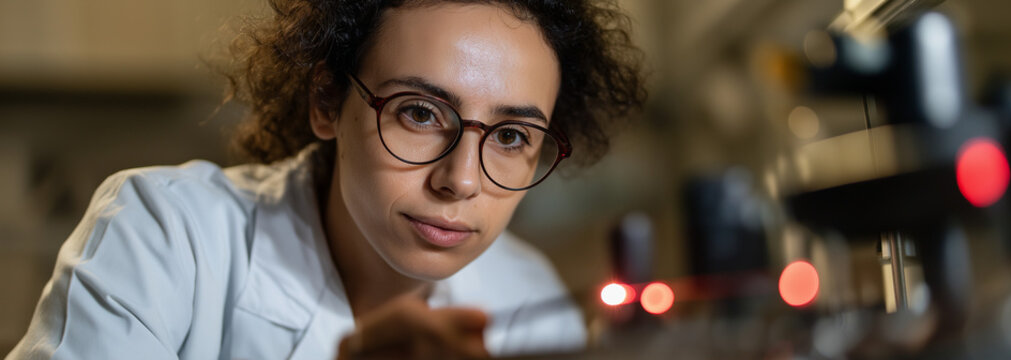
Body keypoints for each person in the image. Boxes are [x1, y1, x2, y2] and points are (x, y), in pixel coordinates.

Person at [8, 0, 645, 358]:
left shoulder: (530, 298)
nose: (459, 181)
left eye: (510, 137)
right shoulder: (167, 234)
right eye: (419, 113)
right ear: (326, 101)